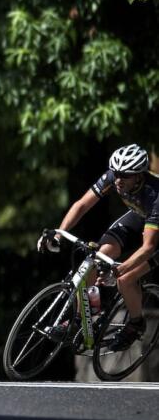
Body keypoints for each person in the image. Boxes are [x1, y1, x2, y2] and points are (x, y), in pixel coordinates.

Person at [39, 143, 158, 350]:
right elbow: (82, 204)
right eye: (116, 173)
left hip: (155, 235)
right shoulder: (114, 176)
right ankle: (81, 321)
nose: (118, 179)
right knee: (94, 260)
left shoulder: (155, 196)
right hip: (140, 216)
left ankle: (136, 324)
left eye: (125, 175)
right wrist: (59, 233)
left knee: (124, 280)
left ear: (139, 175)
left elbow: (148, 247)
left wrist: (117, 270)